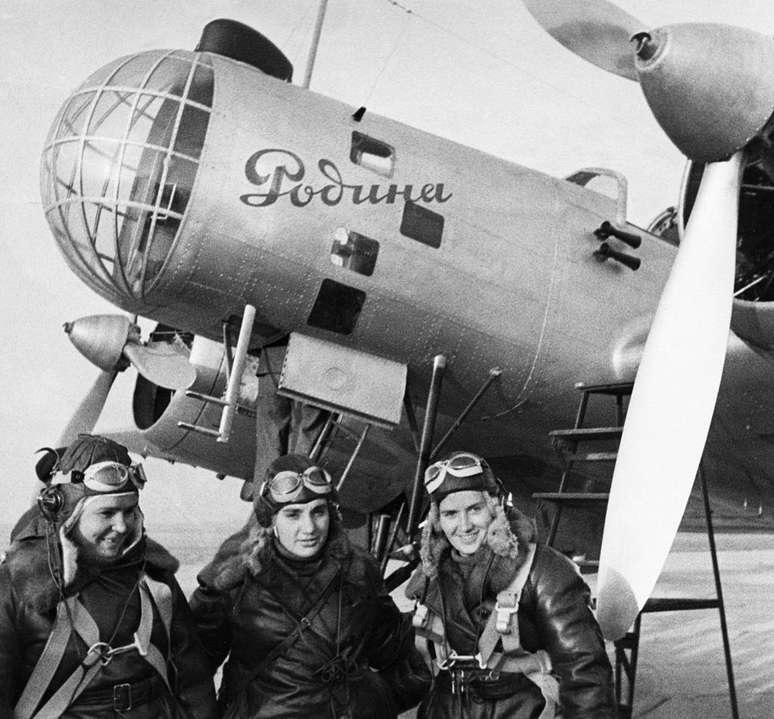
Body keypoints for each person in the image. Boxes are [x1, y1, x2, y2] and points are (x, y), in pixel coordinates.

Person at [190, 453, 429, 718]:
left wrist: (376, 703)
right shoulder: (234, 577)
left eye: (318, 512)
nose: (309, 527)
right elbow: (191, 672)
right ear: (270, 520)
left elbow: (396, 654)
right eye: (293, 515)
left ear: (332, 514)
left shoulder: (358, 571)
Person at [0, 435, 217, 719]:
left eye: (129, 511)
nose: (121, 525)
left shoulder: (154, 579)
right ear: (66, 513)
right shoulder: (17, 586)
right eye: (107, 512)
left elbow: (194, 682)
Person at [405, 451, 616, 718]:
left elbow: (585, 673)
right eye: (450, 514)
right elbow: (407, 664)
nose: (464, 525)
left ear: (495, 508)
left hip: (524, 709)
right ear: (437, 521)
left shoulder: (542, 571)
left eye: (475, 509)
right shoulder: (430, 577)